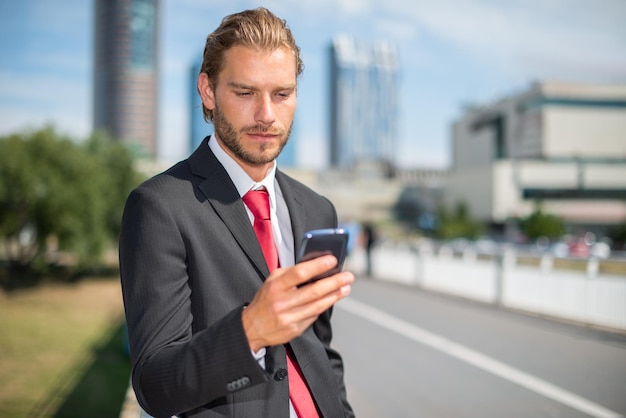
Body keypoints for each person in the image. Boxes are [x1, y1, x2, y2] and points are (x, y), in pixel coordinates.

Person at [119, 7, 355, 418]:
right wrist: (250, 332)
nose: (266, 114)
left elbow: (319, 349)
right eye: (245, 93)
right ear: (208, 91)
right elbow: (154, 384)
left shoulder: (319, 209)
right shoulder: (159, 206)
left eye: (282, 94)